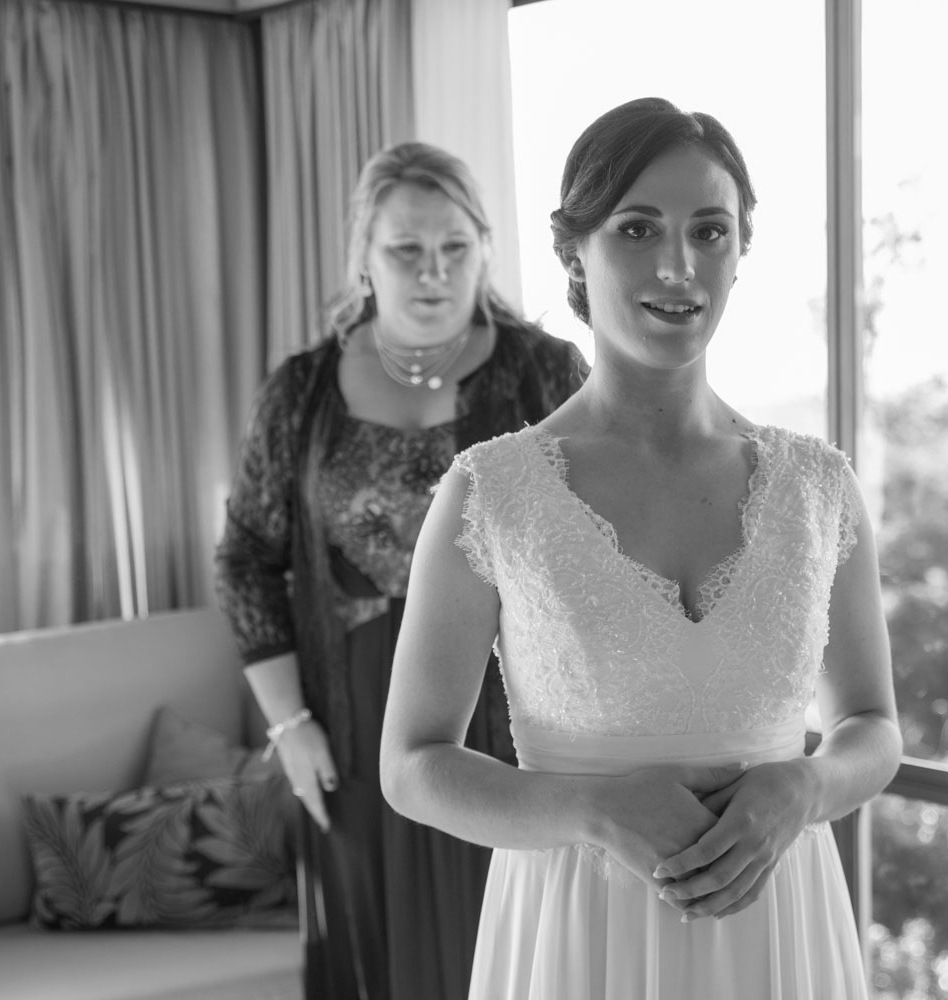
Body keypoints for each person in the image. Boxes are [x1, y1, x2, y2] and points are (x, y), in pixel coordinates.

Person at [379, 98, 902, 999]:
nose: (677, 266)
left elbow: (873, 727)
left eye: (710, 231)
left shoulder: (819, 488)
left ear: (741, 254)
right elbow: (412, 765)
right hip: (577, 937)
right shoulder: (492, 492)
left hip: (779, 930)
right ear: (576, 251)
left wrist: (805, 791)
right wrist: (589, 808)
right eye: (636, 229)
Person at [214, 141, 587, 1000]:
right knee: (373, 959)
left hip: (508, 721)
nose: (433, 273)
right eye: (406, 251)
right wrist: (289, 727)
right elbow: (245, 559)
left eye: (456, 248)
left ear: (486, 249)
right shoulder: (300, 393)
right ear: (365, 259)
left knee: (503, 951)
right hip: (348, 723)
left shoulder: (546, 374)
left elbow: (601, 541)